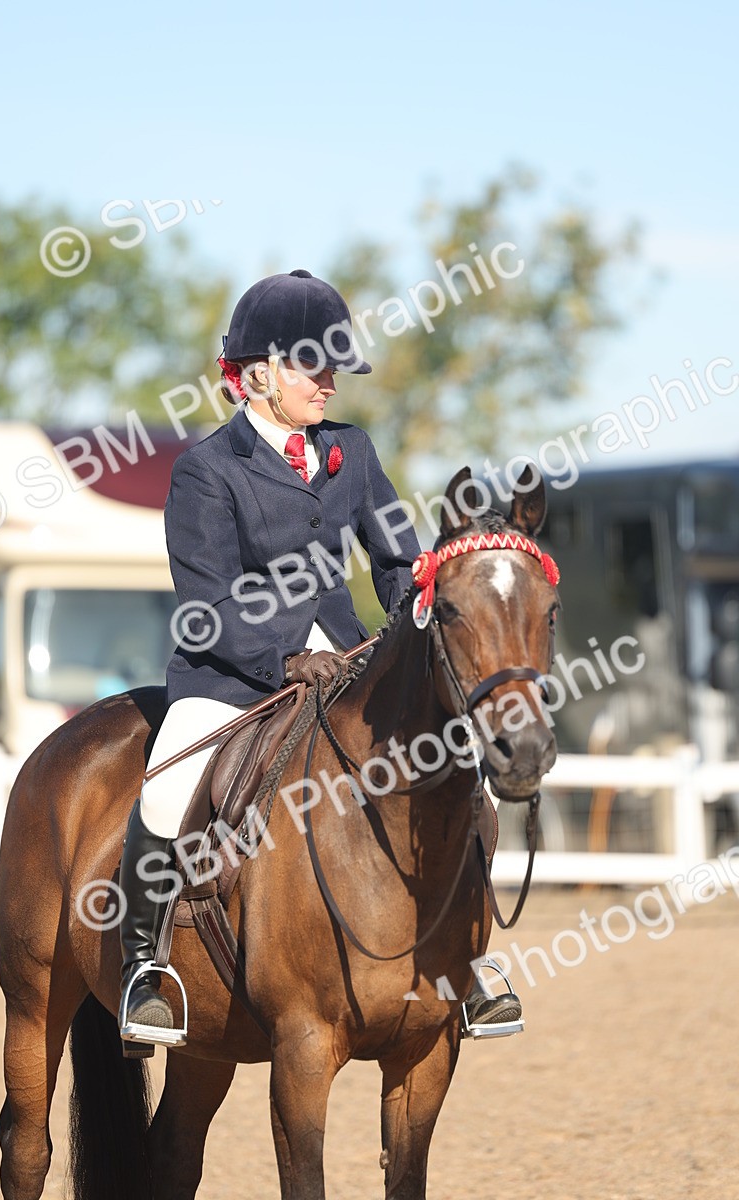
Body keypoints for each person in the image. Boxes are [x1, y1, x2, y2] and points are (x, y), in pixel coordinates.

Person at [117, 269, 522, 1048]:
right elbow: (205, 605)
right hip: (232, 676)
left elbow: (398, 561)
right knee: (168, 783)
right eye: (315, 367)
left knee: (467, 779)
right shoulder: (207, 469)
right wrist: (280, 658)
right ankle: (147, 969)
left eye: (336, 367)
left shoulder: (352, 451)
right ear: (261, 373)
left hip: (346, 659)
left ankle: (460, 967)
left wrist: (420, 620)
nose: (330, 383)